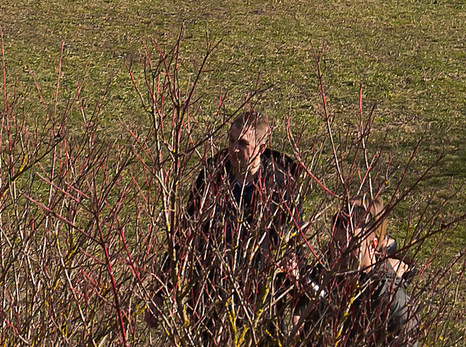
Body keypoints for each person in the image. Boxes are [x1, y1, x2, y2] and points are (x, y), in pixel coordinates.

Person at [173, 110, 305, 339]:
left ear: (261, 149)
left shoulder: (281, 186)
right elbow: (186, 231)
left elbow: (294, 248)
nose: (234, 149)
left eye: (243, 143)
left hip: (258, 298)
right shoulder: (213, 177)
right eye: (231, 140)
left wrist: (298, 305)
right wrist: (161, 291)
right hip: (211, 291)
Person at [302, 200, 418, 346]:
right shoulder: (331, 285)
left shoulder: (393, 302)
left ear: (372, 246)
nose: (341, 254)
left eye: (350, 246)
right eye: (336, 245)